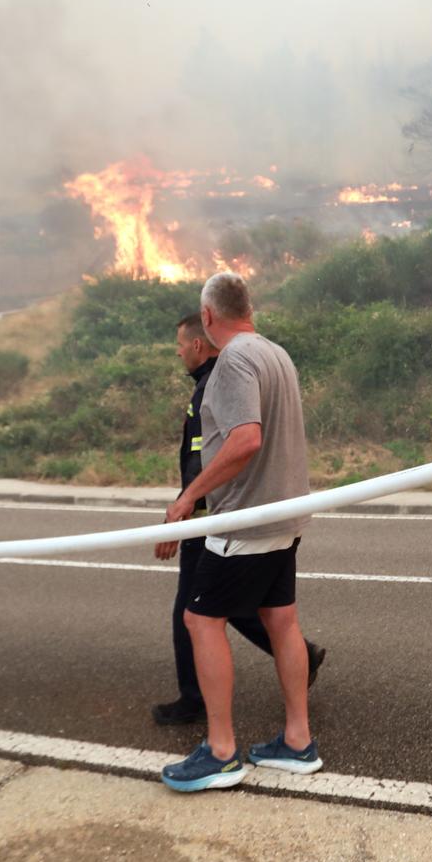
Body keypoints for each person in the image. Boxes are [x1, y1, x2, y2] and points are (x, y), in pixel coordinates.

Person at [159, 272, 322, 791]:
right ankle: (298, 742)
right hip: (286, 516)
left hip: (246, 522)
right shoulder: (277, 353)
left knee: (201, 620)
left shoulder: (231, 362)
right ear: (247, 307)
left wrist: (189, 497)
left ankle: (221, 751)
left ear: (207, 318)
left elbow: (246, 439)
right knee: (280, 621)